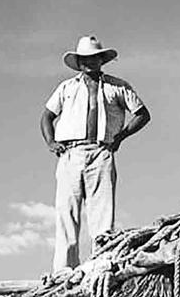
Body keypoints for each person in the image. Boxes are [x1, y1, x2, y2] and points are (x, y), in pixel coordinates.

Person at [40, 35, 151, 270]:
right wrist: (51, 142)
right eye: (85, 59)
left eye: (94, 58)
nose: (89, 62)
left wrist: (120, 137)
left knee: (102, 216)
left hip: (101, 151)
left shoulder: (117, 86)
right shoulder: (67, 87)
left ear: (101, 60)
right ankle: (63, 272)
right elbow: (47, 116)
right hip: (70, 152)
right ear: (79, 62)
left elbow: (142, 114)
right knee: (66, 212)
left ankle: (100, 268)